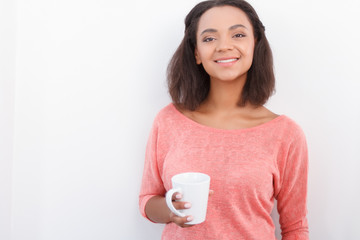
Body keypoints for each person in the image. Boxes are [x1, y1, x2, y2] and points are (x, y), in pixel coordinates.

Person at [139, 0, 309, 239]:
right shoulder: (168, 120)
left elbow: (295, 227)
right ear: (197, 53)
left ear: (255, 44)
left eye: (238, 34)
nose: (224, 46)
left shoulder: (286, 134)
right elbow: (147, 200)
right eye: (209, 38)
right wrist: (170, 210)